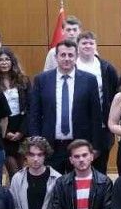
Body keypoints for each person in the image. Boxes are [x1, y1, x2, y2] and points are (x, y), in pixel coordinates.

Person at [27, 40, 104, 173]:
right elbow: (34, 113)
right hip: (50, 145)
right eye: (63, 55)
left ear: (76, 56)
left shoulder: (89, 80)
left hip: (79, 145)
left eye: (70, 55)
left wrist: (95, 146)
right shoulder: (42, 80)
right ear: (56, 57)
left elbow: (96, 115)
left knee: (77, 182)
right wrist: (35, 143)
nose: (67, 59)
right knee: (52, 183)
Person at [75, 32, 121, 173]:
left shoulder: (106, 68)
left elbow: (116, 93)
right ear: (77, 46)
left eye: (91, 43)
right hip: (77, 125)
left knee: (100, 166)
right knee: (78, 164)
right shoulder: (72, 66)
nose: (87, 46)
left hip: (101, 126)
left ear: (96, 46)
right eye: (84, 43)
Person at [0, 47, 30, 178]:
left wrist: (22, 131)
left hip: (21, 128)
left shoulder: (23, 80)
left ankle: (22, 191)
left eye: (7, 59)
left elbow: (30, 107)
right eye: (0, 60)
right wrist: (5, 131)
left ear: (12, 61)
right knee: (13, 171)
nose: (4, 62)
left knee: (22, 168)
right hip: (3, 130)